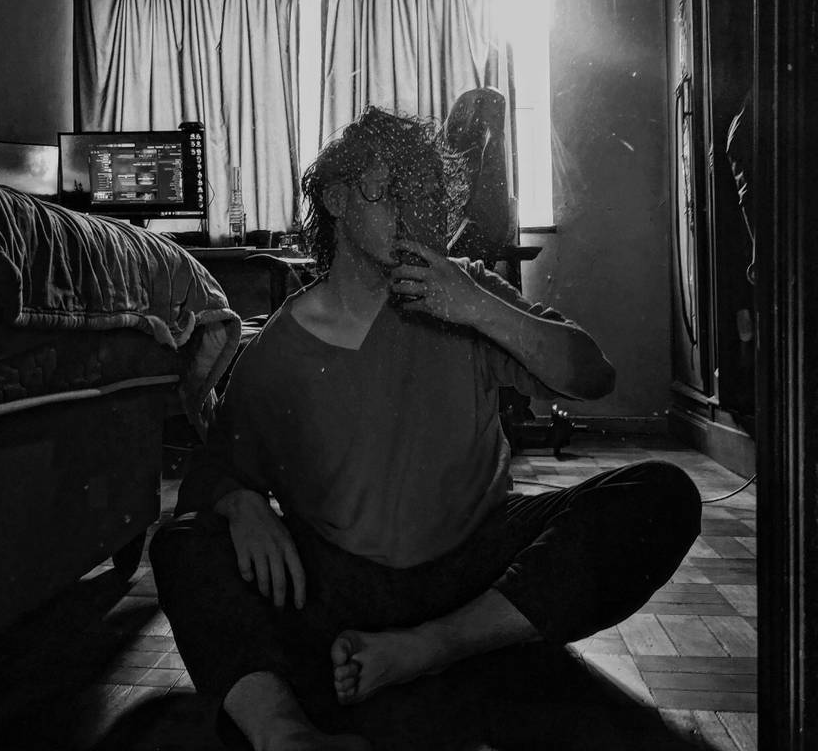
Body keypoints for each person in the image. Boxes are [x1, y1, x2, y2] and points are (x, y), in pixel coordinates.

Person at [151, 107, 702, 751]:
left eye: (424, 194)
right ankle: (285, 734)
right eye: (390, 191)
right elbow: (215, 470)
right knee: (182, 546)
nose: (412, 211)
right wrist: (242, 503)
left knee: (660, 495)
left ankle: (431, 650)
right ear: (336, 199)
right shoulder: (278, 349)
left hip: (473, 565)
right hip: (338, 585)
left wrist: (478, 308)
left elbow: (593, 376)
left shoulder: (467, 293)